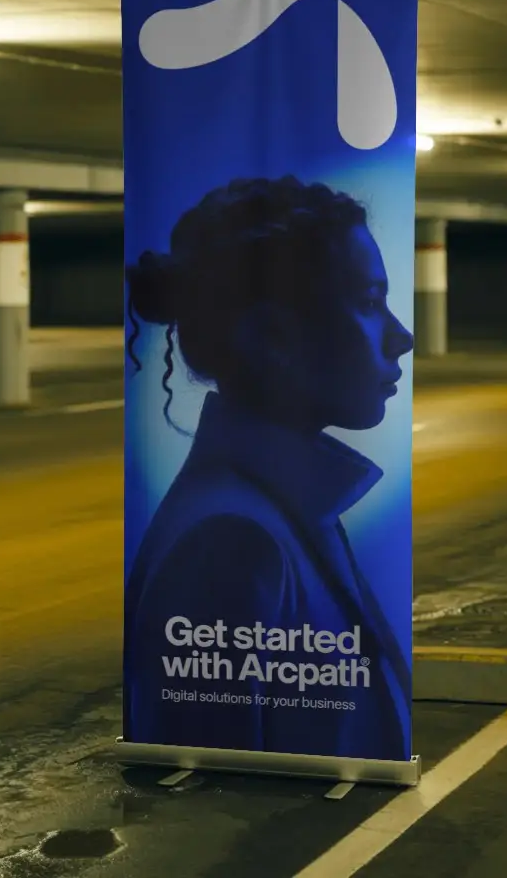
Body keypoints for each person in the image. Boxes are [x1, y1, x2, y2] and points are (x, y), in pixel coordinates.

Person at [124, 176, 414, 762]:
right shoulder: (233, 539)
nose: (401, 337)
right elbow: (209, 796)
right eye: (367, 301)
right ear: (271, 336)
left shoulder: (281, 507)